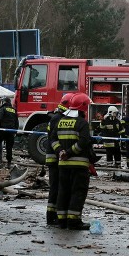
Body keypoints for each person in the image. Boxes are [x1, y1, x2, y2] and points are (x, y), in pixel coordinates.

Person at [49, 92, 93, 230]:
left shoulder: (61, 121)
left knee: (63, 191)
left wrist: (60, 152)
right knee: (78, 192)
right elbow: (84, 142)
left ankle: (62, 220)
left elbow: (53, 139)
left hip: (63, 165)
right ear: (83, 107)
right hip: (79, 165)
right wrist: (69, 152)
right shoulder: (82, 123)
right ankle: (74, 221)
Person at [45, 93, 72, 225]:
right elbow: (54, 139)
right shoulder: (58, 118)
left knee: (56, 187)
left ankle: (53, 215)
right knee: (55, 187)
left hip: (55, 157)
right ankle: (51, 216)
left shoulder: (56, 117)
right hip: (54, 158)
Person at [0, 97, 18, 166]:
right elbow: (16, 122)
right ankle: (9, 162)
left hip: (2, 129)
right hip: (11, 131)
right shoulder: (14, 110)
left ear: (4, 102)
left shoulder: (2, 108)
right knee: (9, 147)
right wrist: (15, 131)